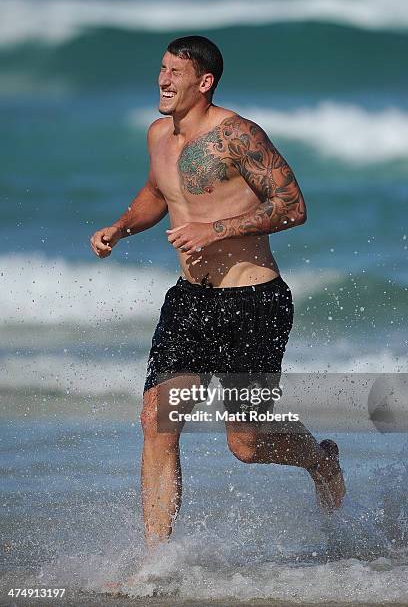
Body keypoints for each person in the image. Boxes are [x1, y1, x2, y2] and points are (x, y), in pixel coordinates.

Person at [90, 35, 346, 546]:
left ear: (204, 82)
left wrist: (218, 228)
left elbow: (293, 206)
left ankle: (321, 460)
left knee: (246, 443)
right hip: (190, 299)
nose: (163, 80)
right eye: (161, 69)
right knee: (156, 420)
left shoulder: (238, 135)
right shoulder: (159, 134)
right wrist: (121, 227)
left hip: (252, 301)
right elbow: (158, 192)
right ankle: (155, 564)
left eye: (175, 73)